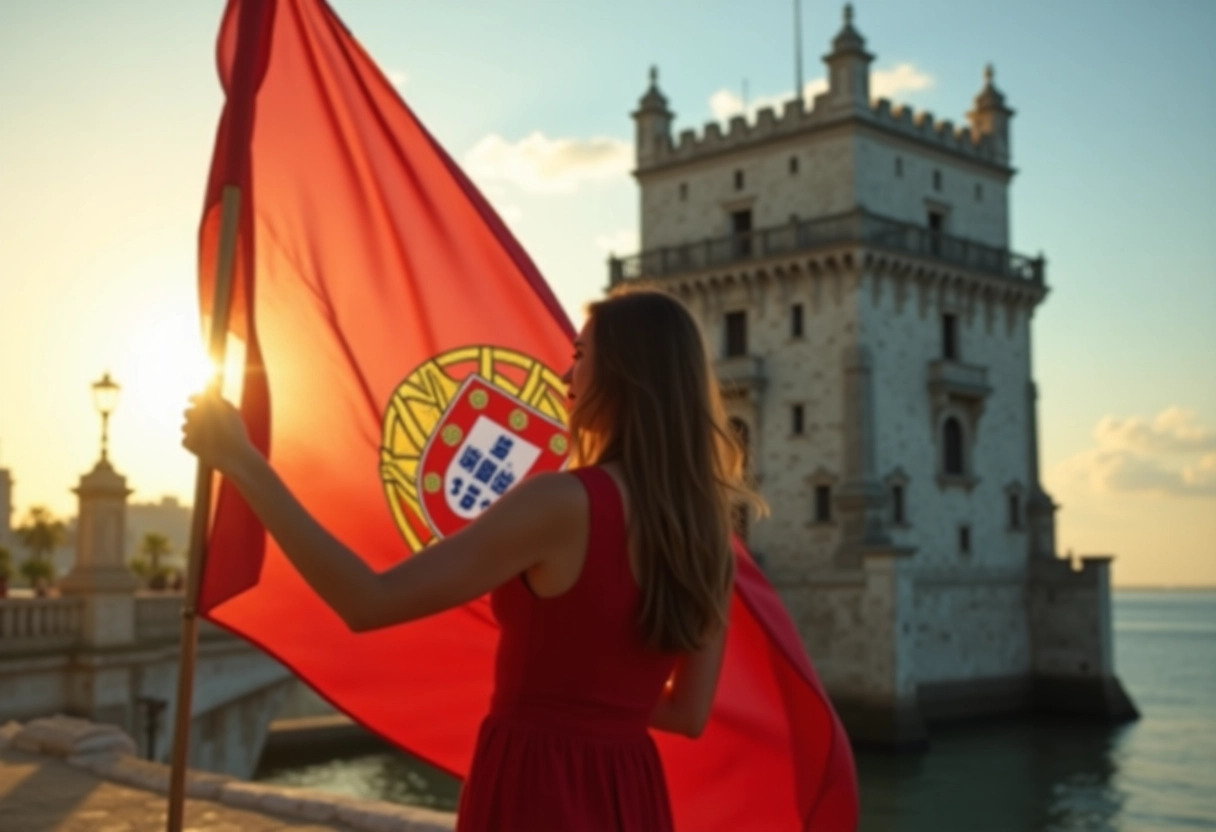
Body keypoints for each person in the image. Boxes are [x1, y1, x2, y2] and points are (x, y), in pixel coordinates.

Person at [182, 287, 758, 831]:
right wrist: (600, 700)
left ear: (624, 374)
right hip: (631, 795)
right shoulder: (708, 532)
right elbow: (688, 713)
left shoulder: (562, 502)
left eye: (580, 355)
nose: (564, 376)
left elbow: (366, 601)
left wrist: (244, 463)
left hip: (537, 788)